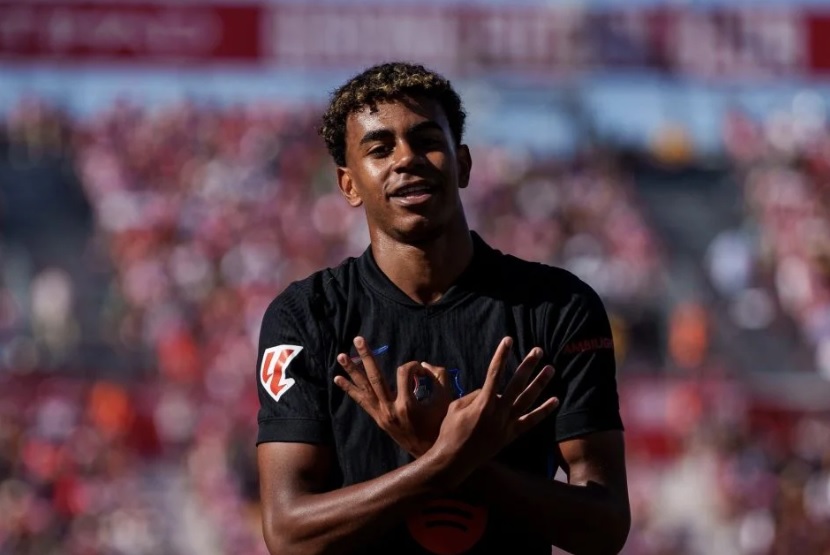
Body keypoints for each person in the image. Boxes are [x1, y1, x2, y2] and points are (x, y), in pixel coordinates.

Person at [256, 62, 630, 555]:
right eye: (380, 148)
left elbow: (605, 526)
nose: (406, 159)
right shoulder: (306, 315)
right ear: (348, 185)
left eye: (426, 140)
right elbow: (289, 534)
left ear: (464, 164)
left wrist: (439, 455)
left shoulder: (558, 307)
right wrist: (446, 459)